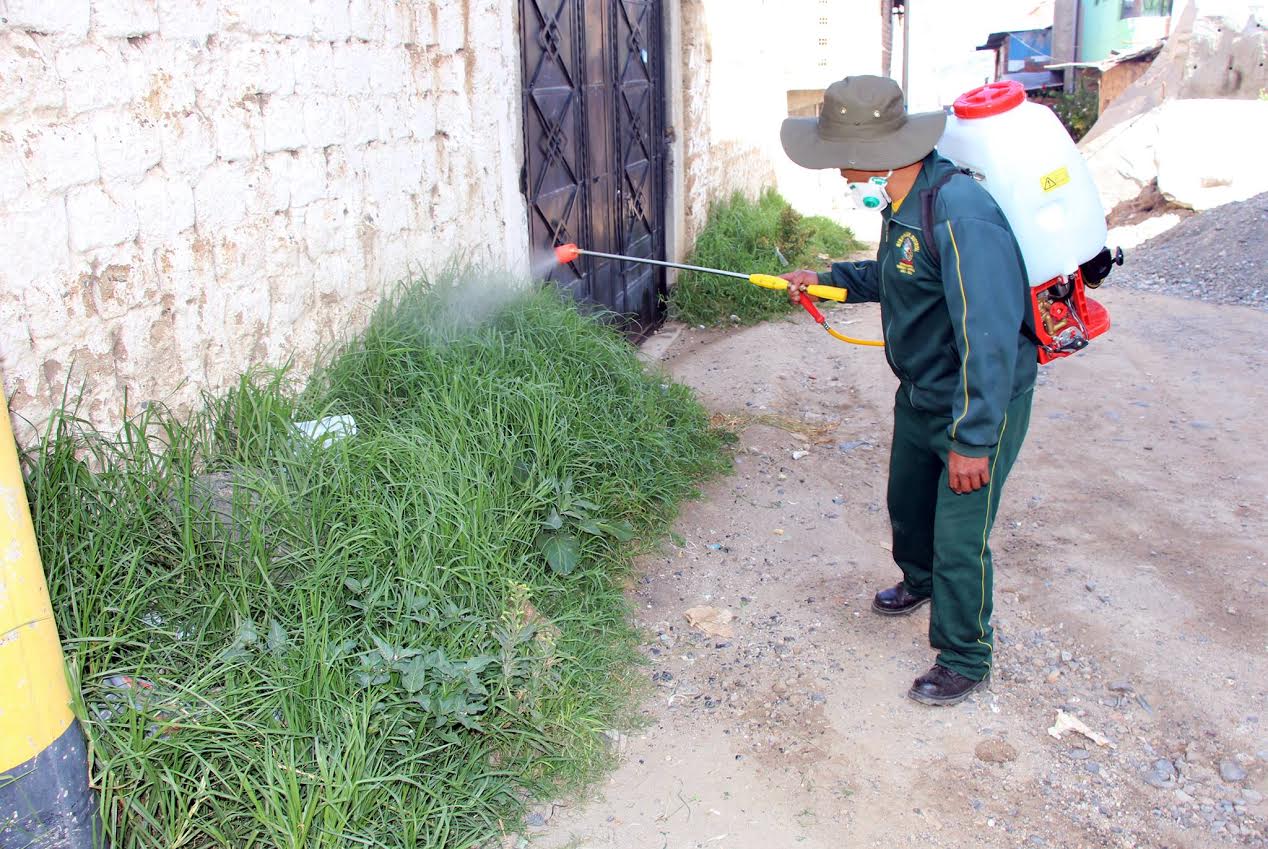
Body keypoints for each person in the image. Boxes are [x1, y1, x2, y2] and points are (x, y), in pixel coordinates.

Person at [779, 75, 1037, 706]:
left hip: (975, 399)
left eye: (837, 147)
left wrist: (974, 438)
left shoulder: (959, 214)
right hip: (922, 388)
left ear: (876, 149)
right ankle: (919, 581)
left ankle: (965, 654)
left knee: (958, 533)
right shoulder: (904, 201)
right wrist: (829, 278)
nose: (834, 161)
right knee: (908, 503)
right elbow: (901, 277)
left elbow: (991, 333)